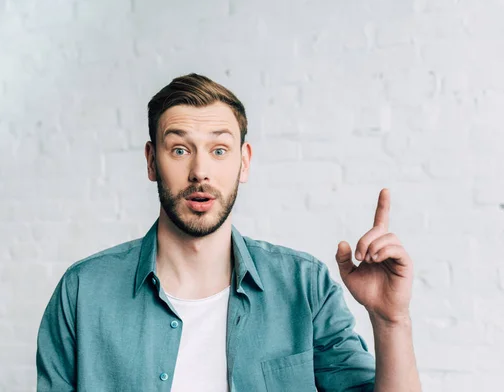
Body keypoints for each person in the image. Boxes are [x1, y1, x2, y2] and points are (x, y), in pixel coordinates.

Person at [36, 73, 421, 391]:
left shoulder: (305, 287)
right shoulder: (83, 292)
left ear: (244, 162)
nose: (200, 171)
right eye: (180, 150)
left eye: (219, 150)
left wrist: (391, 321)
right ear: (152, 162)